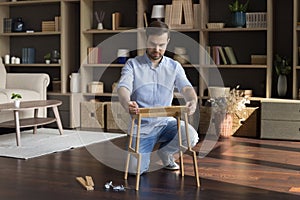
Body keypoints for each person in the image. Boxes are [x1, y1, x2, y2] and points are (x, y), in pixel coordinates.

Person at [117, 21, 199, 174]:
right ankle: (142, 154)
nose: (157, 49)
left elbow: (186, 87)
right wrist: (127, 103)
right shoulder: (132, 64)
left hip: (166, 123)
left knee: (191, 137)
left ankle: (166, 152)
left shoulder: (174, 66)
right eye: (153, 44)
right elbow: (123, 87)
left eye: (161, 45)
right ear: (145, 40)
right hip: (142, 127)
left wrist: (192, 101)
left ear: (168, 42)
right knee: (136, 170)